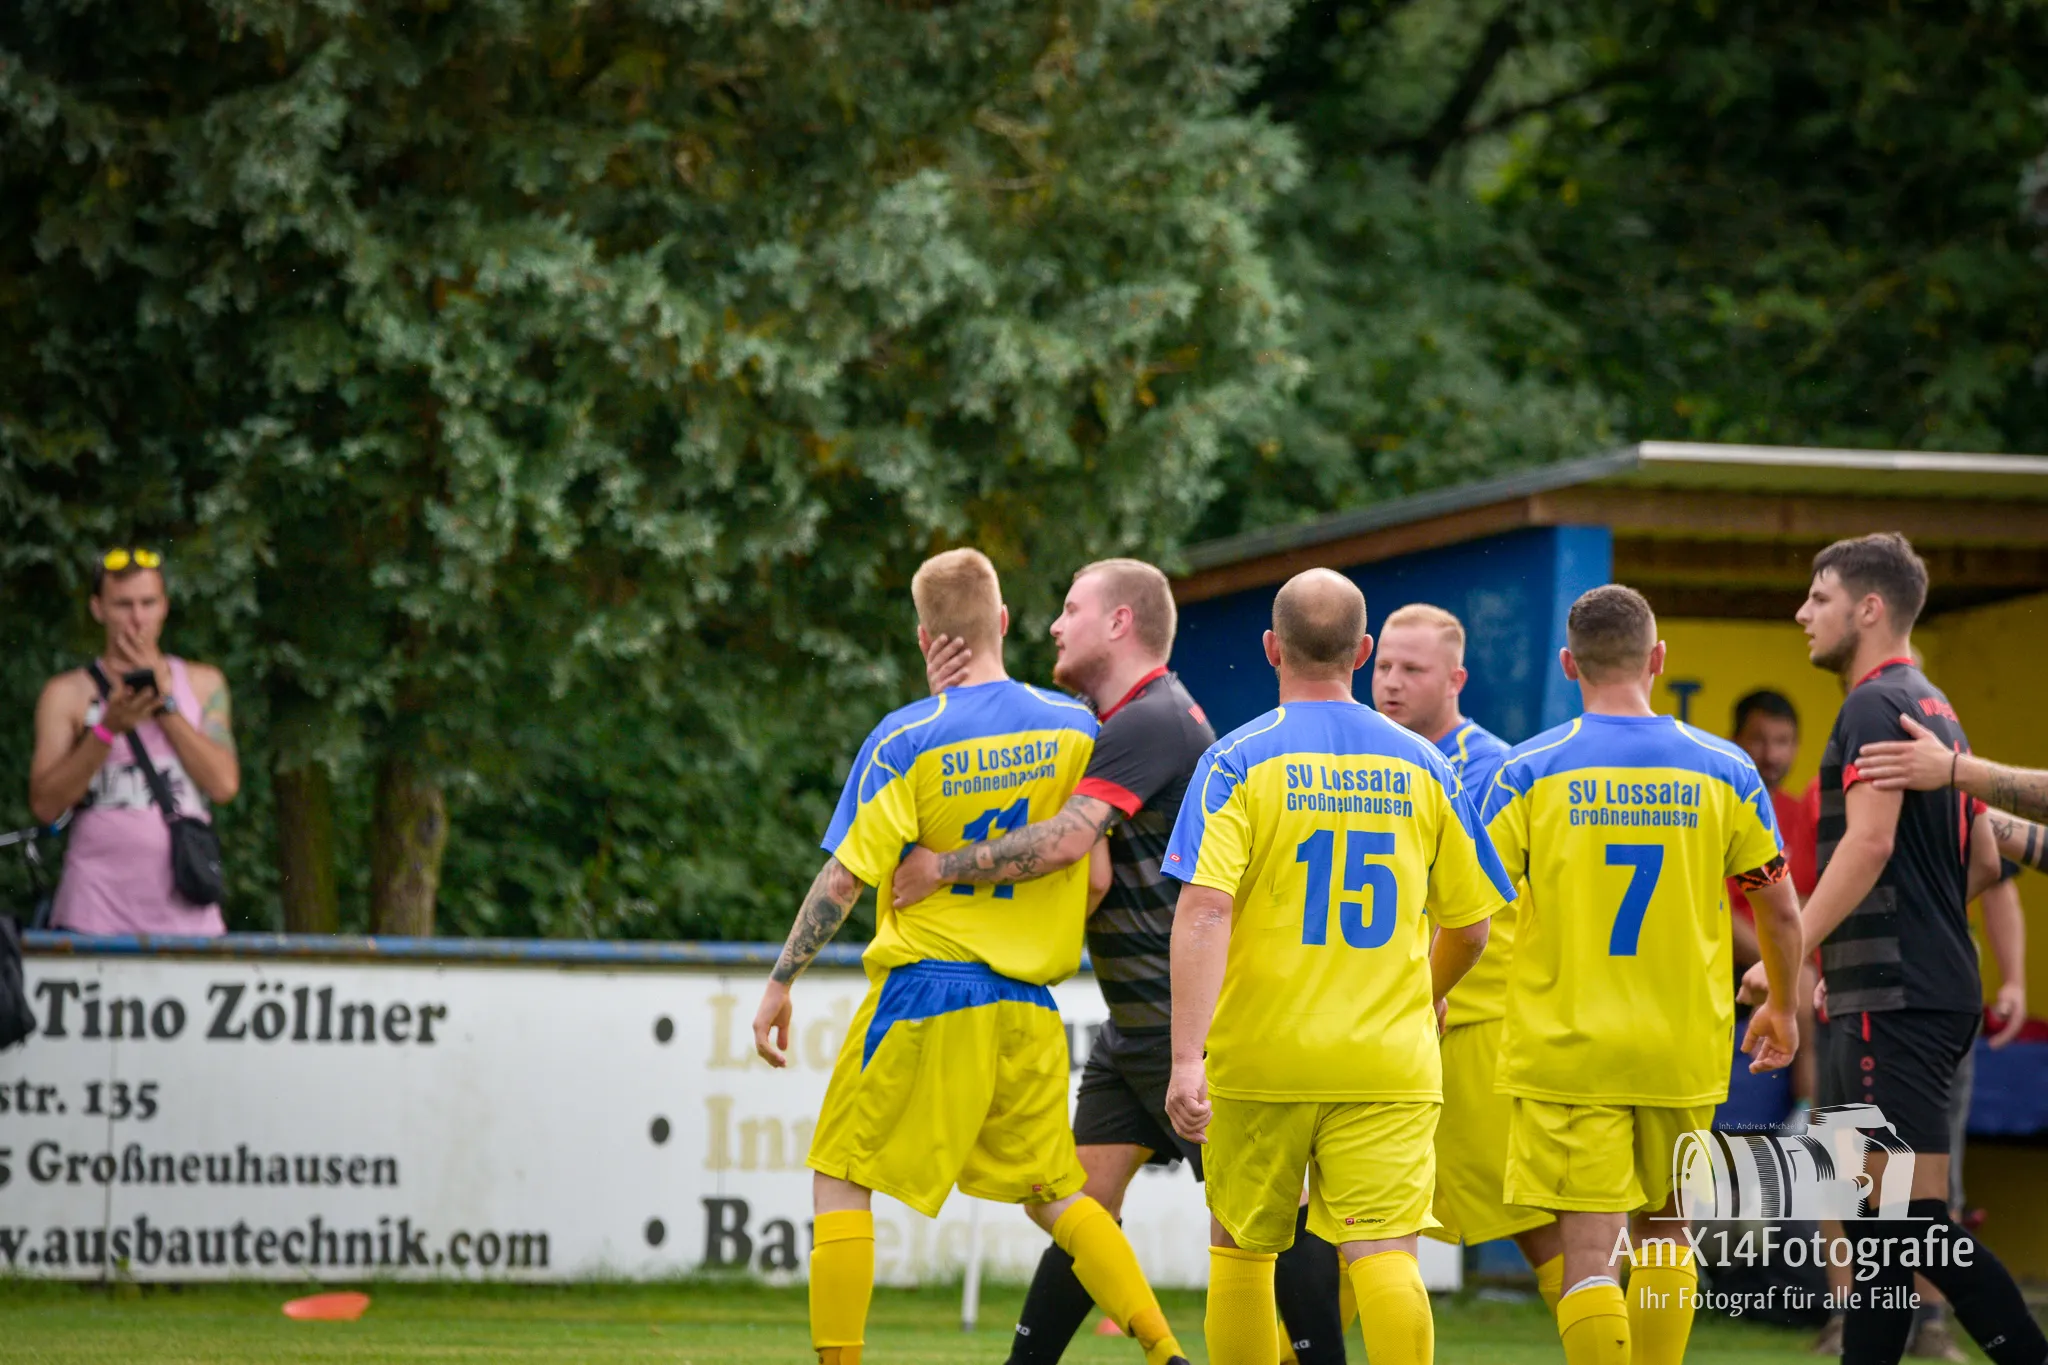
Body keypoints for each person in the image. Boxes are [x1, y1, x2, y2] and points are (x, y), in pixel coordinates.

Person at [895, 560, 1348, 1365]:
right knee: (1081, 1203)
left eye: (1071, 608)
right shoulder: (1111, 724)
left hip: (1194, 1024)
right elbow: (1089, 859)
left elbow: (1069, 842)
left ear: (1119, 623)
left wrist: (942, 867)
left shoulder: (1153, 719)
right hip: (1136, 1027)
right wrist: (953, 703)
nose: (1053, 624)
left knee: (1255, 1218)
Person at [749, 548, 1188, 1365]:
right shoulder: (1076, 727)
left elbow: (845, 877)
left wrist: (781, 980)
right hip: (1026, 1007)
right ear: (1004, 622)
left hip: (925, 991)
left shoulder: (905, 736)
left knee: (840, 1176)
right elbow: (1094, 875)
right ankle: (1164, 1348)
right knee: (1060, 1197)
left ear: (926, 638)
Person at [1163, 569, 1516, 1365]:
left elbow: (1206, 910)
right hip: (1387, 1060)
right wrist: (1424, 996)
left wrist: (1187, 1059)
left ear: (1270, 647)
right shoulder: (1427, 764)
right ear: (1362, 651)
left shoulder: (1234, 760)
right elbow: (1471, 926)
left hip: (1263, 1056)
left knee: (1242, 1247)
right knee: (1385, 1252)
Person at [1737, 533, 2044, 1365]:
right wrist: (1857, 949)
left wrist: (1795, 952)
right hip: (1909, 990)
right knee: (1878, 1228)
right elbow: (1983, 860)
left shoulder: (1873, 706)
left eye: (1819, 596)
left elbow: (1869, 843)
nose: (1802, 612)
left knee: (1905, 1224)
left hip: (1896, 1002)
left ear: (1869, 609)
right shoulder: (1934, 704)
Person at [1484, 584, 1804, 1365]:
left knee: (1590, 1253)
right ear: (1658, 658)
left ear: (1568, 664)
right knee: (1667, 1229)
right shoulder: (1726, 769)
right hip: (1681, 1044)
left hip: (1569, 1046)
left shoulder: (1528, 771)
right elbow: (1780, 912)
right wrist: (1785, 1006)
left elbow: (1464, 906)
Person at [1371, 604, 1564, 1309]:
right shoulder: (1368, 756)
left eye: (1412, 669)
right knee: (1362, 1217)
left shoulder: (1492, 768)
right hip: (1394, 1020)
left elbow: (1467, 908)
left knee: (1533, 1221)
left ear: (1456, 679)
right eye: (1383, 665)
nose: (1391, 682)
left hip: (1475, 1024)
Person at [28, 548, 239, 935]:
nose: (137, 619)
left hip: (188, 916)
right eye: (123, 605)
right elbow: (45, 804)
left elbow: (223, 784)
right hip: (92, 912)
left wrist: (164, 705)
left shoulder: (203, 683)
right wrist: (106, 730)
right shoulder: (68, 694)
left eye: (148, 603)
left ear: (165, 607)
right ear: (98, 609)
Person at [1724, 689, 1823, 1123]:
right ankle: (1806, 1117)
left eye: (1782, 741)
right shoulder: (1722, 811)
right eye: (1759, 739)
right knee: (1800, 980)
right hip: (1729, 964)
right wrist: (1777, 959)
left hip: (1785, 960)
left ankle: (1806, 1116)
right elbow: (1717, 914)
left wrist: (1787, 957)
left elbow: (1808, 900)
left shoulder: (1799, 813)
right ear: (1735, 740)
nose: (1771, 754)